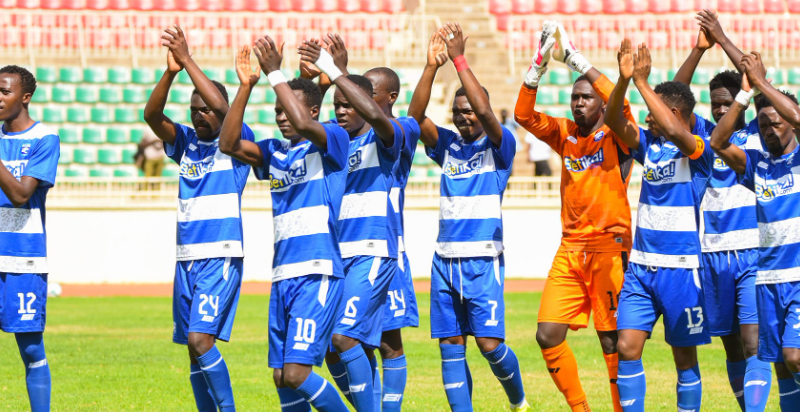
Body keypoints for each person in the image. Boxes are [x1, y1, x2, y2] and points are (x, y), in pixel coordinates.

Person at [218, 40, 351, 412]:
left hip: (317, 271)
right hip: (282, 276)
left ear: (311, 108)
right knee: (280, 377)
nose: (280, 116)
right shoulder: (274, 152)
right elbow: (228, 144)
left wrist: (275, 72)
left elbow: (307, 122)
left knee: (296, 373)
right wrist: (246, 86)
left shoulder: (331, 140)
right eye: (276, 110)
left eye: (286, 109)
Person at [514, 21, 637, 412]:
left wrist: (575, 60)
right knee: (547, 334)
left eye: (585, 97)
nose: (578, 103)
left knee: (611, 340)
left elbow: (623, 103)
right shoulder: (564, 132)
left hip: (608, 246)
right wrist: (538, 65)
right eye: (573, 98)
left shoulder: (616, 132)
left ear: (603, 105)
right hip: (570, 248)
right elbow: (522, 114)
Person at [408, 24, 528, 412]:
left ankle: (519, 401)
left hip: (482, 259)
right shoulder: (447, 146)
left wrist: (459, 60)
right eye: (458, 112)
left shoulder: (500, 146)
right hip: (444, 259)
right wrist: (431, 67)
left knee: (490, 346)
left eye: (470, 112)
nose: (464, 118)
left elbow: (487, 113)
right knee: (450, 346)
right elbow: (414, 119)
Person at [604, 40, 715, 412]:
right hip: (641, 268)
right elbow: (612, 120)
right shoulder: (648, 144)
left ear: (671, 112)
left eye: (653, 113)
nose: (647, 119)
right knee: (626, 348)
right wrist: (623, 81)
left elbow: (674, 128)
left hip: (682, 270)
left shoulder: (698, 148)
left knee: (684, 359)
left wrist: (641, 83)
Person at [143, 26, 247, 412]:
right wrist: (171, 72)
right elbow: (151, 114)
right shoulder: (185, 143)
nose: (200, 115)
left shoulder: (236, 143)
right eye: (194, 110)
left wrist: (187, 60)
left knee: (201, 341)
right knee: (192, 349)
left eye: (205, 108)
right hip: (187, 257)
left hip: (219, 254)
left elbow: (224, 109)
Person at [299, 37, 405, 412]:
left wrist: (336, 71)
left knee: (355, 339)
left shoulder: (393, 132)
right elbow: (303, 119)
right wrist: (310, 78)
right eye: (338, 106)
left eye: (349, 104)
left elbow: (377, 116)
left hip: (374, 251)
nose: (341, 111)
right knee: (331, 346)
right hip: (335, 256)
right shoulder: (336, 142)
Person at [673, 12, 772, 410]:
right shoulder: (703, 139)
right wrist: (699, 49)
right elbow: (674, 99)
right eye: (715, 105)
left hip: (751, 252)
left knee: (753, 345)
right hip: (710, 255)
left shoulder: (761, 134)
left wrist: (723, 39)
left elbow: (761, 81)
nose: (719, 111)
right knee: (731, 348)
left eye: (728, 104)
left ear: (743, 104)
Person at [708, 51, 800, 411]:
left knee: (794, 356)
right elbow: (716, 142)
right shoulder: (756, 166)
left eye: (776, 123)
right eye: (763, 126)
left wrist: (761, 83)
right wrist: (745, 96)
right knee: (779, 363)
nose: (769, 130)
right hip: (768, 279)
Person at [0, 65, 59, 412]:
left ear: (25, 97)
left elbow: (22, 194)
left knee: (31, 348)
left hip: (23, 257)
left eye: (4, 91)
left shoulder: (44, 139)